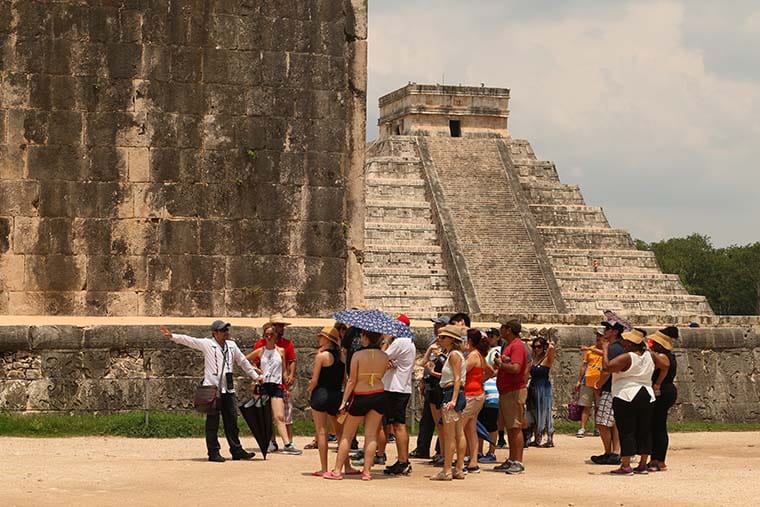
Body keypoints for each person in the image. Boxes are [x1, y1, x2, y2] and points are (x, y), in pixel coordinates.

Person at [160, 321, 260, 462]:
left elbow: (243, 362)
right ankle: (213, 452)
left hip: (228, 388)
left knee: (232, 420)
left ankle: (236, 450)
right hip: (212, 388)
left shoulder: (232, 346)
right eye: (222, 330)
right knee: (212, 422)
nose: (226, 332)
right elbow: (190, 341)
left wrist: (256, 377)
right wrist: (172, 336)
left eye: (226, 329)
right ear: (215, 333)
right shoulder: (207, 344)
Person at [603, 328, 668, 475]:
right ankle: (643, 464)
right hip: (646, 393)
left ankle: (625, 465)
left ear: (631, 343)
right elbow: (665, 366)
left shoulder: (627, 357)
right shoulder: (650, 355)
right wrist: (655, 381)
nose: (623, 342)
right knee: (645, 429)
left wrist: (605, 350)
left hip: (626, 394)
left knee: (626, 430)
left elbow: (607, 367)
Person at [325, 329, 388, 481]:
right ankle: (367, 471)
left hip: (361, 395)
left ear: (365, 337)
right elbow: (382, 374)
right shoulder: (384, 356)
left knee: (347, 434)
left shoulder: (358, 355)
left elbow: (352, 380)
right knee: (371, 434)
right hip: (378, 394)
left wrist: (343, 401)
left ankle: (338, 470)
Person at [246, 324, 301, 455]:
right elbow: (244, 359)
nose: (269, 337)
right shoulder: (260, 350)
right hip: (265, 385)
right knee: (267, 416)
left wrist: (286, 380)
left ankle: (287, 443)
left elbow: (283, 370)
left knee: (279, 416)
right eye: (266, 335)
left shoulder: (281, 351)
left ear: (276, 336)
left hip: (276, 385)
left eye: (271, 335)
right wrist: (255, 370)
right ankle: (270, 442)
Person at [377, 319, 416, 476]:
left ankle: (403, 461)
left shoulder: (400, 342)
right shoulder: (408, 342)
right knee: (396, 425)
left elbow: (381, 356)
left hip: (395, 389)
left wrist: (386, 340)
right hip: (399, 387)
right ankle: (402, 459)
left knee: (398, 425)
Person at [307, 326, 347, 476]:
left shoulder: (321, 356)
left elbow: (315, 379)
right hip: (337, 395)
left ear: (327, 339)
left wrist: (309, 389)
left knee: (321, 432)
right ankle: (346, 466)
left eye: (321, 337)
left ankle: (324, 468)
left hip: (321, 394)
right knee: (340, 433)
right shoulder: (343, 357)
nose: (319, 339)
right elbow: (345, 380)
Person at [430, 324, 467, 481]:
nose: (440, 339)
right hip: (454, 392)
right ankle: (458, 468)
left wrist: (452, 399)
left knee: (449, 434)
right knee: (458, 432)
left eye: (443, 337)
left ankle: (447, 470)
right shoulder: (453, 354)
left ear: (452, 340)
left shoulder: (454, 355)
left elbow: (457, 378)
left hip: (451, 392)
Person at [411, 315, 450, 460]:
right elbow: (423, 363)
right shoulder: (433, 342)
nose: (435, 327)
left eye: (438, 325)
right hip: (430, 384)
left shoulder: (448, 347)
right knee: (427, 418)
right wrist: (423, 380)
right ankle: (423, 448)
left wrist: (432, 371)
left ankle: (442, 451)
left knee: (442, 421)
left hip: (441, 386)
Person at [493, 320, 528, 474]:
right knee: (510, 427)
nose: (500, 330)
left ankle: (518, 461)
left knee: (515, 427)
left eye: (502, 327)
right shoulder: (509, 345)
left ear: (508, 330)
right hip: (507, 390)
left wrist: (501, 364)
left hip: (514, 390)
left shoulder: (517, 346)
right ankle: (512, 458)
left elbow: (516, 368)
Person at [590, 316, 627, 465]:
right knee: (614, 422)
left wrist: (598, 385)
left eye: (608, 329)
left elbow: (607, 370)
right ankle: (615, 452)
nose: (605, 331)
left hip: (610, 388)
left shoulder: (613, 348)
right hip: (617, 388)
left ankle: (609, 452)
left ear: (615, 332)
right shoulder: (621, 347)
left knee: (602, 422)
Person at [647, 326, 679, 472]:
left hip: (662, 390)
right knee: (658, 425)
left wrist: (658, 383)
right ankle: (657, 459)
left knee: (657, 426)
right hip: (667, 390)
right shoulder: (668, 355)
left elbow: (663, 368)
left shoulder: (662, 357)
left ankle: (658, 459)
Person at [462, 328, 490, 473]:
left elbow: (460, 372)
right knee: (470, 428)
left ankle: (461, 461)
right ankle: (473, 461)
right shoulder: (479, 355)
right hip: (477, 392)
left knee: (459, 428)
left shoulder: (472, 356)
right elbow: (490, 370)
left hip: (470, 394)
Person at [477, 328, 501, 464]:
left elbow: (497, 369)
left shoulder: (496, 352)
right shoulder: (482, 353)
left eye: (491, 336)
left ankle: (491, 451)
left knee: (491, 424)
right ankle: (479, 451)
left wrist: (485, 377)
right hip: (483, 389)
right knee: (479, 422)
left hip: (491, 390)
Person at [574, 331, 603, 438]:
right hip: (588, 381)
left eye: (600, 336)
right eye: (597, 336)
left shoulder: (606, 350)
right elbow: (584, 366)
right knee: (586, 406)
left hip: (600, 383)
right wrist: (579, 381)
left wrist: (589, 349)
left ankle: (597, 428)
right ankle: (582, 428)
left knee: (599, 407)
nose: (598, 338)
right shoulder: (590, 350)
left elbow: (604, 354)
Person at [528, 336, 555, 447]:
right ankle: (537, 438)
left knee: (545, 412)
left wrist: (548, 345)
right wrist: (531, 341)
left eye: (539, 347)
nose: (536, 349)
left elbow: (552, 349)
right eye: (535, 347)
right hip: (533, 386)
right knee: (533, 412)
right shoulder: (534, 358)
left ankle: (549, 439)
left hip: (543, 388)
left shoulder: (547, 359)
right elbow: (528, 345)